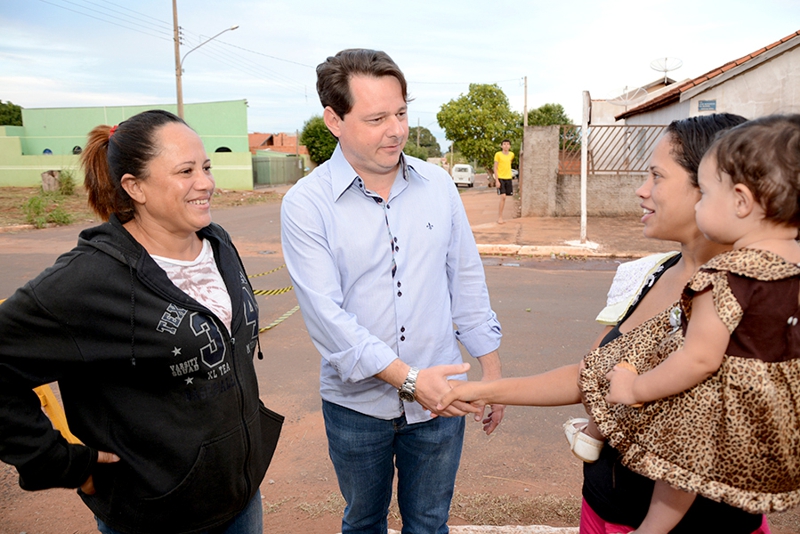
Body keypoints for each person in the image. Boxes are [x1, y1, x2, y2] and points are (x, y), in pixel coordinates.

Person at [438, 113, 775, 533]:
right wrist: (480, 389)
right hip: (603, 509)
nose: (642, 190)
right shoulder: (657, 271)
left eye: (656, 176)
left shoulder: (749, 296)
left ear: (712, 187)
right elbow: (592, 376)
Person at [0, 109, 283, 534]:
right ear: (134, 187)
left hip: (239, 498)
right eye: (185, 171)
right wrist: (61, 464)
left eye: (205, 167)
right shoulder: (89, 280)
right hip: (156, 515)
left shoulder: (216, 241)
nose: (205, 182)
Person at [280, 48, 504, 533]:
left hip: (442, 399)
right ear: (334, 120)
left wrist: (493, 373)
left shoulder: (439, 186)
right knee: (363, 521)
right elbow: (327, 318)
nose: (397, 130)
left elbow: (465, 276)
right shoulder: (306, 205)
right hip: (356, 408)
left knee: (429, 522)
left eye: (401, 112)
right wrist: (409, 379)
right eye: (377, 117)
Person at [592, 114, 800, 532]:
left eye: (705, 194)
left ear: (741, 201)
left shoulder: (723, 279)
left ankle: (653, 528)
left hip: (717, 437)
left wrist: (635, 388)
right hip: (776, 443)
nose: (701, 205)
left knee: (686, 424)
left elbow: (698, 360)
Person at [494, 139, 514, 224]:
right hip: (500, 178)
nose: (506, 146)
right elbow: (495, 167)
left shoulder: (512, 155)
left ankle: (501, 216)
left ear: (509, 146)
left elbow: (509, 163)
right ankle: (500, 217)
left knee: (506, 197)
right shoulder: (498, 154)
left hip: (508, 178)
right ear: (501, 146)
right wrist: (497, 180)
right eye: (504, 144)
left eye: (507, 144)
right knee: (503, 197)